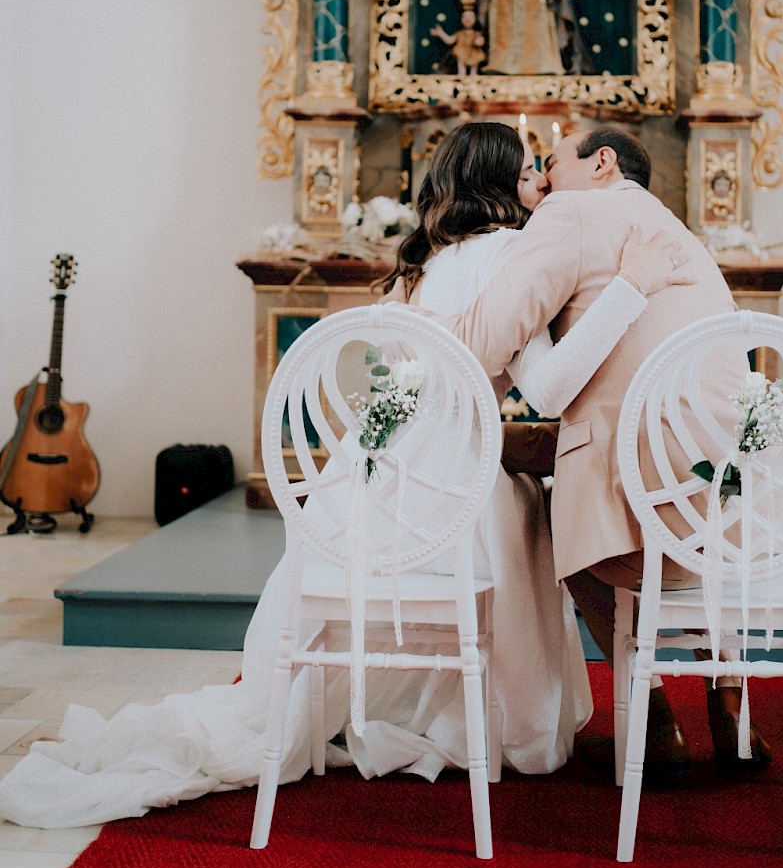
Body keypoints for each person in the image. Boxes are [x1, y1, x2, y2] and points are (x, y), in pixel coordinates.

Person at [0, 124, 681, 830]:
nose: (543, 181)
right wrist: (630, 289)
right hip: (452, 490)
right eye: (531, 170)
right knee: (532, 509)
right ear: (505, 181)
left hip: (372, 479)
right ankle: (502, 714)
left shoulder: (421, 264)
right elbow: (544, 388)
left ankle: (396, 700)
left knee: (516, 501)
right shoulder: (515, 253)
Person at [446, 126, 773, 777]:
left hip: (642, 491)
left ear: (602, 162)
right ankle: (729, 697)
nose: (543, 180)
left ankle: (652, 719)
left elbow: (481, 344)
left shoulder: (569, 212)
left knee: (555, 525)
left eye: (551, 162)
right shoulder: (676, 230)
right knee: (616, 477)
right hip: (734, 501)